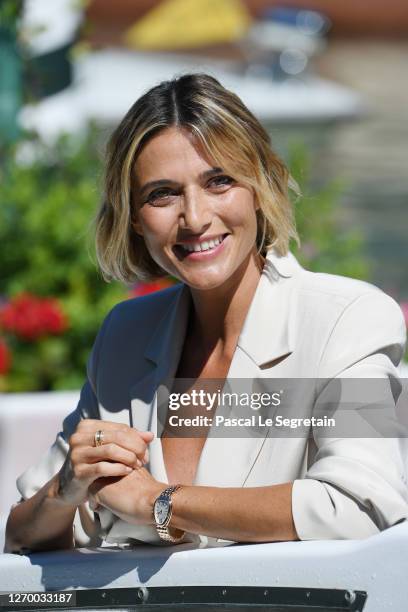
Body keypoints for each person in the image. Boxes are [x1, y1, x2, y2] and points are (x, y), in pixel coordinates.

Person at [5, 73, 408, 553]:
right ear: (134, 216)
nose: (194, 217)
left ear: (261, 186)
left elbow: (362, 505)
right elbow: (22, 533)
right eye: (162, 194)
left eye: (219, 182)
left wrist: (160, 503)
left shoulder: (349, 318)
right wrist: (65, 491)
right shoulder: (127, 335)